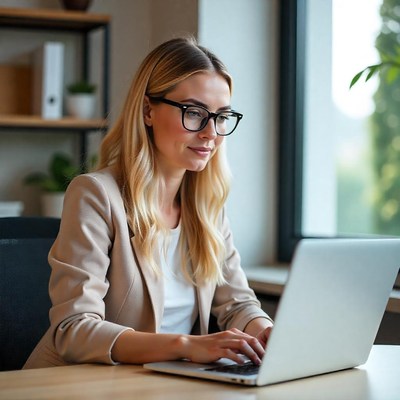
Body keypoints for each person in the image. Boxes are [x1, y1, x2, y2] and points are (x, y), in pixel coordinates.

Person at [24, 36, 273, 369]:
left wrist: (266, 331)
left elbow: (237, 304)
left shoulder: (206, 205)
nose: (210, 132)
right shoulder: (96, 195)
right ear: (147, 111)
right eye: (195, 112)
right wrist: (187, 346)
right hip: (81, 386)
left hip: (163, 385)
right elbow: (74, 330)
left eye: (222, 116)